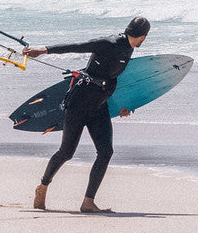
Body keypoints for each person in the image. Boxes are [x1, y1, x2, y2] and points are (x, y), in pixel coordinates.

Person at [22, 16, 150, 213]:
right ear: (143, 36)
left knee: (106, 151)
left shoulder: (129, 49)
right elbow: (78, 46)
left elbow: (118, 81)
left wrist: (125, 106)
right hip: (79, 103)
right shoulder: (110, 42)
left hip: (100, 106)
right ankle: (43, 186)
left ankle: (88, 202)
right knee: (67, 152)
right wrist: (44, 50)